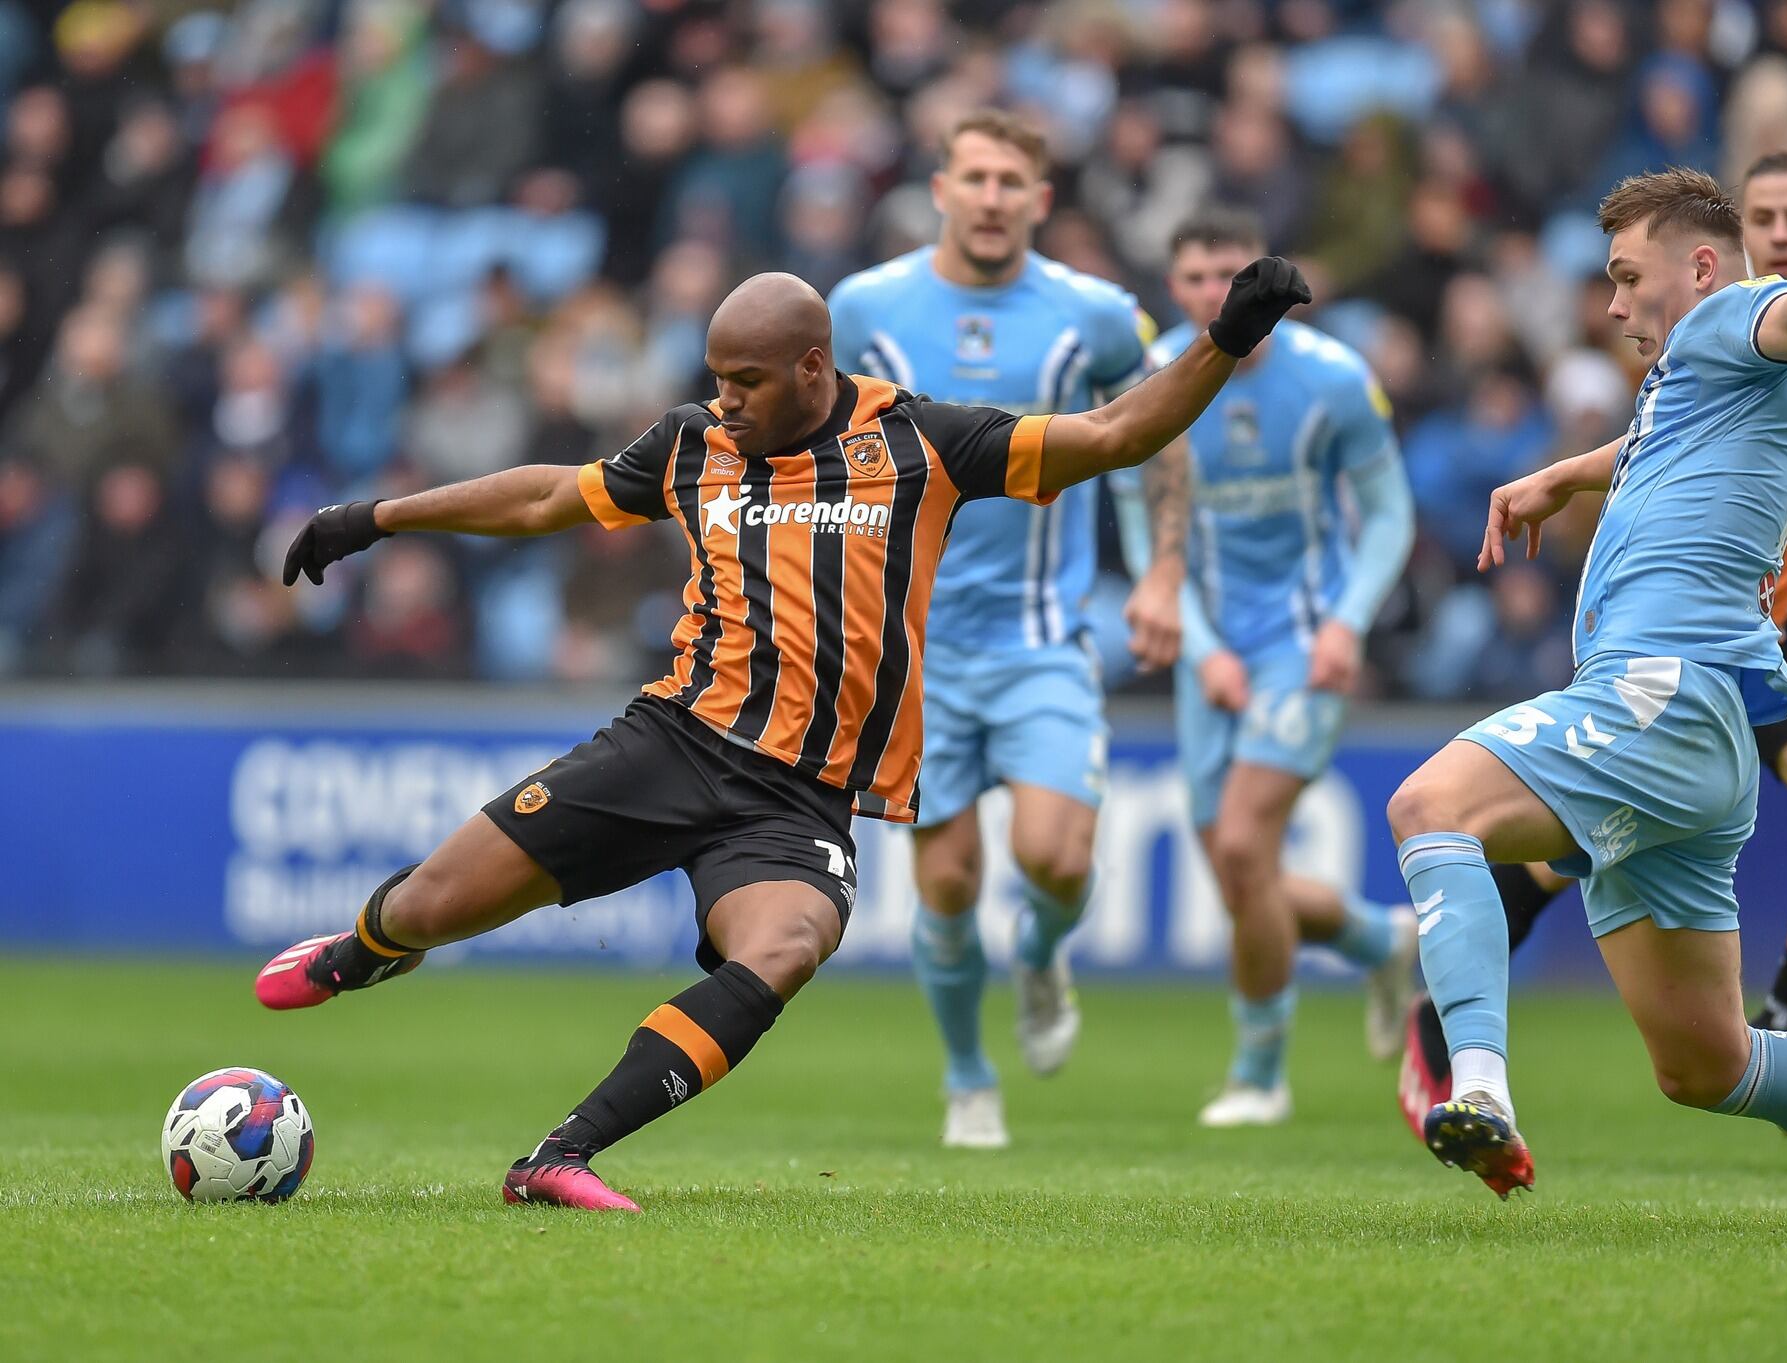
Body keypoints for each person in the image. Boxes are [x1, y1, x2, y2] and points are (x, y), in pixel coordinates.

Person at [254, 262, 1312, 1211]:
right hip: (669, 742)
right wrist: (379, 517)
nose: (725, 398)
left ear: (812, 367)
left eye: (746, 379)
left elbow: (1113, 435)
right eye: (717, 376)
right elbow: (545, 500)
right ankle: (365, 950)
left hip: (796, 803)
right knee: (429, 905)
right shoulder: (690, 443)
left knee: (787, 946)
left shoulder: (921, 444)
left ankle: (560, 1154)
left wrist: (1220, 338)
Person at [1383, 167, 1787, 1232]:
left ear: (1694, 268)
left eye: (1622, 276)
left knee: (1428, 807)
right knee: (1706, 1062)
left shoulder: (1729, 314)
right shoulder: (1706, 381)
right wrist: (1565, 475)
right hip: (1706, 739)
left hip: (1657, 696)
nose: (1609, 304)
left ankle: (1475, 1085)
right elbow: (1670, 433)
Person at [826, 110, 1188, 1149]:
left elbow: (1157, 438)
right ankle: (966, 1077)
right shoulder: (865, 308)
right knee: (944, 880)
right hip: (916, 650)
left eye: (1011, 181)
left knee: (1055, 859)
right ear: (938, 189)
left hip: (1042, 639)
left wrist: (1161, 567)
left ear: (1040, 198)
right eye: (974, 177)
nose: (991, 197)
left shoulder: (1097, 316)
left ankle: (1039, 955)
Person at [1142, 207, 1419, 1127]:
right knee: (1240, 878)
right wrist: (1202, 643)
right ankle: (1385, 940)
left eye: (1233, 271)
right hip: (1207, 650)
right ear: (1176, 288)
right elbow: (1150, 531)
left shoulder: (1335, 379)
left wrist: (1345, 625)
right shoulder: (1155, 384)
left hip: (1303, 646)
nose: (1217, 292)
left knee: (1240, 845)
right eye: (1196, 277)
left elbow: (1387, 514)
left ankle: (1260, 1074)